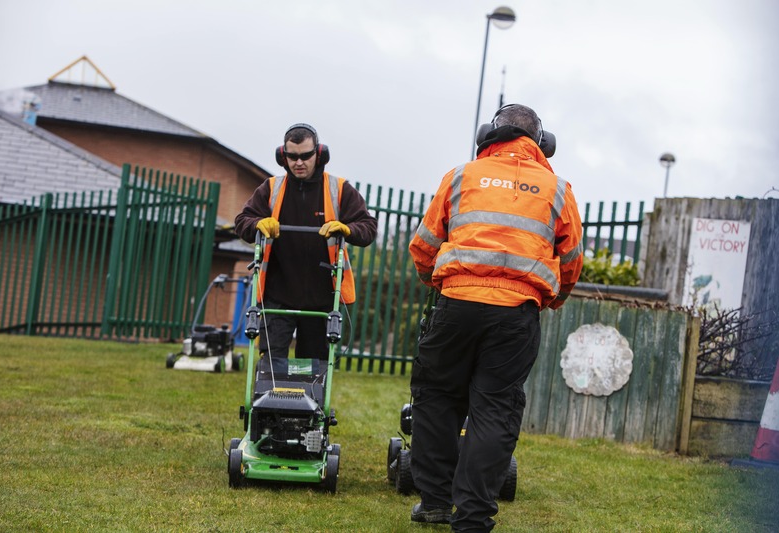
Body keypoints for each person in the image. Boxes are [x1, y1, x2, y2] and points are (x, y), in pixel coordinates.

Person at [407, 104, 583, 531]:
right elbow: (571, 260)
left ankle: (434, 503)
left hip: (456, 305)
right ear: (542, 144)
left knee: (436, 398)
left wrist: (438, 283)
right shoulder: (558, 189)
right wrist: (551, 298)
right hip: (516, 316)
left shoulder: (460, 177)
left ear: (489, 134)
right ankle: (472, 518)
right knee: (495, 410)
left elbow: (424, 244)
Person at [235, 123, 377, 361]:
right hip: (277, 296)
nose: (298, 162)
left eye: (305, 156)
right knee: (271, 367)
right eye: (292, 157)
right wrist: (257, 224)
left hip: (322, 299)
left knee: (314, 371)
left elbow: (368, 227)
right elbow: (242, 221)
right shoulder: (271, 188)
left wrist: (347, 229)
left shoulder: (339, 189)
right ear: (283, 156)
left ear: (319, 154)